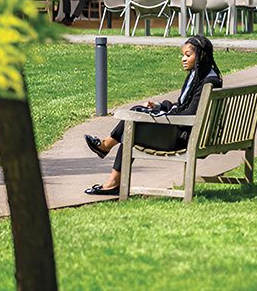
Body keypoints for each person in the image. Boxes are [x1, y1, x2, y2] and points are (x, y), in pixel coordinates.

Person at [82, 36, 223, 195]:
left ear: (201, 56)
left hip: (181, 138)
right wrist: (160, 106)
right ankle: (109, 166)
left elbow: (189, 115)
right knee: (133, 121)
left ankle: (106, 151)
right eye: (183, 55)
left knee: (133, 124)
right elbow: (184, 106)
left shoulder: (208, 82)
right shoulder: (203, 75)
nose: (183, 59)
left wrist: (162, 114)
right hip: (185, 133)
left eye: (188, 55)